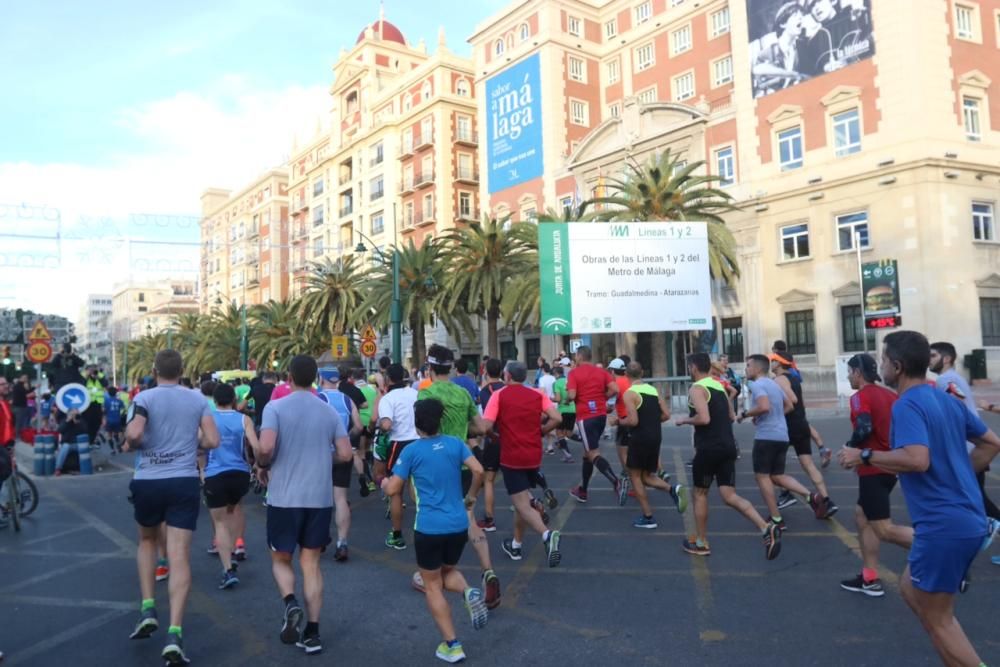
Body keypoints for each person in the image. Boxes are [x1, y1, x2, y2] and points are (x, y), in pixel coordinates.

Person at [839, 331, 1000, 665]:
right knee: (912, 590)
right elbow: (991, 443)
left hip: (945, 525)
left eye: (883, 360)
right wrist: (957, 475)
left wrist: (864, 455)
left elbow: (916, 459)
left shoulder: (908, 404)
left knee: (939, 619)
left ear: (896, 367)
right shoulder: (944, 398)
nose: (880, 365)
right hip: (961, 519)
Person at [123, 349, 220, 665]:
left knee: (148, 540)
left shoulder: (145, 398)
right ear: (181, 370)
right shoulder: (196, 399)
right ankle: (175, 632)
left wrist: (138, 443)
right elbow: (213, 440)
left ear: (154, 369)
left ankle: (148, 607)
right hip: (183, 481)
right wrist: (193, 444)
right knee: (179, 555)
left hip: (148, 480)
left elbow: (134, 434)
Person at [255, 355, 352, 655]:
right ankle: (312, 632)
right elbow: (346, 454)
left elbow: (267, 447)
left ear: (289, 376)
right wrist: (325, 458)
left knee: (281, 559)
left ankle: (290, 603)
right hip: (319, 498)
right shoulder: (327, 411)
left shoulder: (275, 408)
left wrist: (261, 463)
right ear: (314, 378)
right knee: (311, 564)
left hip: (284, 498)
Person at [381, 398, 489, 663]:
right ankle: (467, 592)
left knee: (431, 584)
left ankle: (452, 644)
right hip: (457, 525)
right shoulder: (455, 444)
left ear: (417, 424)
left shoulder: (412, 451)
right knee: (447, 571)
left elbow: (394, 489)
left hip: (429, 527)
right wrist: (471, 497)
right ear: (439, 421)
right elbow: (478, 470)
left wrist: (384, 483)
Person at [417, 344, 500, 610]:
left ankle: (431, 572)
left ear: (430, 368)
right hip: (463, 463)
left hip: (435, 466)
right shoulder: (463, 393)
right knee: (469, 520)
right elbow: (480, 426)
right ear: (451, 368)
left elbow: (422, 429)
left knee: (429, 517)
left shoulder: (427, 392)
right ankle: (488, 571)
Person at [676, 353, 781, 559]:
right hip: (727, 447)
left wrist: (684, 420)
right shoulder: (719, 387)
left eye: (689, 367)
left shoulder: (697, 388)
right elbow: (731, 416)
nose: (689, 371)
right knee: (729, 496)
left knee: (700, 494)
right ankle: (765, 527)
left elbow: (704, 418)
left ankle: (701, 542)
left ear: (694, 367)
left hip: (708, 448)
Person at [836, 353, 911, 597]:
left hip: (873, 466)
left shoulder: (860, 397)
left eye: (849, 372)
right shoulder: (891, 396)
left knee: (884, 529)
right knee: (862, 516)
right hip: (891, 466)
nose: (848, 376)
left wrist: (850, 449)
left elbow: (864, 426)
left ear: (858, 373)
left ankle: (945, 550)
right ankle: (869, 576)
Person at [481, 361, 563, 567]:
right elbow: (556, 417)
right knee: (522, 504)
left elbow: (486, 426)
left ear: (507, 376)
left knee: (521, 504)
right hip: (533, 454)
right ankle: (516, 545)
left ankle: (547, 535)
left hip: (512, 456)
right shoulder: (537, 394)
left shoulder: (499, 395)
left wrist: (493, 435)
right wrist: (541, 431)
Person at [739, 354, 818, 533]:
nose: (746, 368)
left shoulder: (757, 385)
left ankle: (776, 518)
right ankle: (811, 496)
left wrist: (746, 414)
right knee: (777, 476)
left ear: (758, 368)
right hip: (782, 435)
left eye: (749, 365)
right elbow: (790, 405)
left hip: (766, 436)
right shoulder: (774, 384)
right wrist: (775, 417)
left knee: (762, 476)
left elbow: (764, 406)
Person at [931, 342, 1000, 528]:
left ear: (946, 359)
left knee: (976, 501)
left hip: (967, 450)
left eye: (933, 356)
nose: (929, 360)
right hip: (972, 447)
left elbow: (957, 406)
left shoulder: (945, 380)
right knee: (975, 499)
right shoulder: (952, 378)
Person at [618, 362, 687, 526]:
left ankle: (648, 517)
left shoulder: (629, 393)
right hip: (655, 436)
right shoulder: (653, 390)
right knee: (646, 476)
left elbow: (633, 421)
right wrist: (651, 421)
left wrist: (618, 421)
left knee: (634, 475)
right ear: (642, 373)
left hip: (639, 437)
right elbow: (667, 415)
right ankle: (672, 490)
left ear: (626, 376)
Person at [771, 353, 838, 519]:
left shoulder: (779, 380)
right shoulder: (794, 378)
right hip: (801, 424)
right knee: (808, 464)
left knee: (771, 466)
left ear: (778, 364)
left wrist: (776, 416)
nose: (770, 363)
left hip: (787, 426)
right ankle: (827, 500)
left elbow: (792, 402)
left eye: (773, 360)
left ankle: (785, 493)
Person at [204, 383, 255, 589]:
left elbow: (199, 443)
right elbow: (257, 446)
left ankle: (228, 569)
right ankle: (235, 548)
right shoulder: (244, 419)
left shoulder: (208, 420)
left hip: (216, 474)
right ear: (234, 399)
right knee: (234, 509)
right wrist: (260, 465)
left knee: (220, 522)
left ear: (214, 401)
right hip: (240, 474)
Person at [317, 367, 362, 562]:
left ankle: (319, 537)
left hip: (321, 455)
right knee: (341, 499)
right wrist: (345, 438)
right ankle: (342, 542)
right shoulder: (347, 399)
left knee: (319, 499)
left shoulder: (318, 399)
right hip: (343, 453)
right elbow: (359, 427)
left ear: (321, 379)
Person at [567, 346, 621, 503]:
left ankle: (616, 482)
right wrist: (602, 397)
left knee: (592, 453)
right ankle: (583, 490)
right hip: (600, 415)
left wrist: (567, 398)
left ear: (579, 356)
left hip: (585, 416)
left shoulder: (574, 373)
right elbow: (615, 389)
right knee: (587, 453)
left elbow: (572, 395)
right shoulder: (601, 372)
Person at [376, 363, 420, 550]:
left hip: (399, 444)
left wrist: (377, 423)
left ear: (387, 379)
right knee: (417, 487)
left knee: (395, 491)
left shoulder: (388, 398)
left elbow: (386, 425)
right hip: (419, 442)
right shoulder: (415, 393)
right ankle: (424, 529)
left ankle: (397, 534)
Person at [475, 358, 506, 533]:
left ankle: (489, 519)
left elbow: (486, 418)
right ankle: (532, 504)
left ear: (486, 372)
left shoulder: (486, 391)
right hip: (510, 438)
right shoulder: (508, 388)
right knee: (516, 478)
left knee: (489, 480)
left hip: (494, 437)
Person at [606, 358, 633, 493]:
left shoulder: (615, 383)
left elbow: (609, 407)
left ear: (612, 370)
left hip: (624, 420)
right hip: (634, 419)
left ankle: (632, 481)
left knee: (623, 453)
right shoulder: (629, 379)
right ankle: (631, 477)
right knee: (631, 451)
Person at [353, 368, 378, 495]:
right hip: (373, 421)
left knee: (361, 452)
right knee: (371, 449)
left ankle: (370, 481)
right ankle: (376, 474)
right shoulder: (372, 389)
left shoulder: (355, 391)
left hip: (361, 421)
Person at [549, 364, 576, 463]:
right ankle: (583, 440)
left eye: (553, 375)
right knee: (568, 433)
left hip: (563, 410)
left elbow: (558, 399)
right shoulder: (569, 381)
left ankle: (568, 455)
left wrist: (551, 398)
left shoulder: (556, 383)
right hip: (573, 409)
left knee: (559, 433)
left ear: (556, 374)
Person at [54, 408, 87, 475]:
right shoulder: (65, 420)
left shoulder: (81, 420)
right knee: (65, 447)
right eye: (73, 413)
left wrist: (77, 423)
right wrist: (68, 421)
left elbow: (85, 431)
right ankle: (58, 468)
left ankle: (83, 468)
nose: (75, 415)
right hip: (67, 443)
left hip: (78, 444)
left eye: (76, 413)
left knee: (83, 448)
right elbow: (60, 430)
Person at [103, 385, 126, 452]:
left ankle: (112, 450)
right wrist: (121, 414)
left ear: (108, 393)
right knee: (118, 433)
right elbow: (124, 409)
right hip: (117, 419)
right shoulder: (119, 401)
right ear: (116, 393)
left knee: (109, 435)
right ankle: (118, 444)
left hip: (109, 420)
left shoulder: (106, 401)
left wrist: (104, 418)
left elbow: (104, 410)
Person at [10, 374, 32, 439]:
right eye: (25, 378)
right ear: (21, 378)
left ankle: (18, 434)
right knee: (19, 422)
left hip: (19, 406)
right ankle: (17, 436)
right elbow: (25, 393)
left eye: (26, 378)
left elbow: (26, 392)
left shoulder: (19, 386)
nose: (26, 379)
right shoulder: (19, 386)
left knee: (19, 421)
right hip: (19, 407)